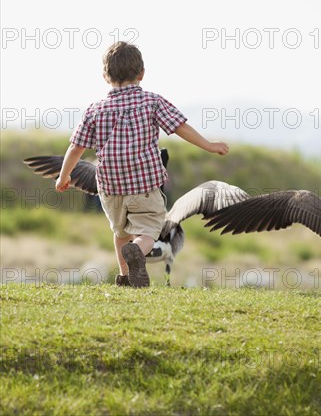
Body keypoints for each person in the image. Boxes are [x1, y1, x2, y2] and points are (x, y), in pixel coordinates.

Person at [55, 41, 228, 287]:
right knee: (147, 232)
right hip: (144, 185)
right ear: (142, 73)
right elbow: (180, 127)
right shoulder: (152, 102)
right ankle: (138, 250)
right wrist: (209, 145)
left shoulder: (94, 110)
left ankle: (125, 277)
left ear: (105, 76)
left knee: (120, 233)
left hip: (110, 189)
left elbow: (76, 148)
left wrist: (63, 177)